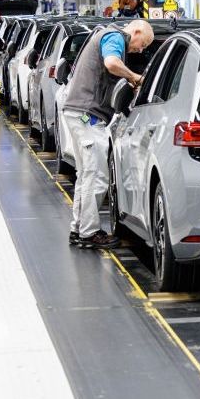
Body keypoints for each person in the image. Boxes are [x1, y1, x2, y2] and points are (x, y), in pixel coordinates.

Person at [63, 19, 153, 249]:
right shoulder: (115, 37)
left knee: (86, 176)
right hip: (87, 116)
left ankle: (79, 229)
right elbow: (112, 63)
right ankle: (89, 233)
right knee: (97, 176)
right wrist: (135, 77)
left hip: (79, 113)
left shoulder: (109, 35)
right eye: (143, 44)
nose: (141, 50)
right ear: (137, 31)